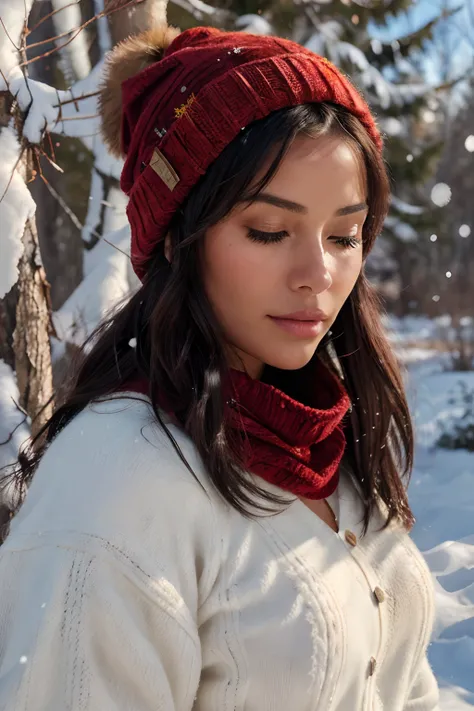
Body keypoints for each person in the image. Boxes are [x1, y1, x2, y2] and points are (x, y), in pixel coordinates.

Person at [0, 23, 439, 711]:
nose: (317, 274)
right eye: (268, 230)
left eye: (345, 234)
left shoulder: (318, 436)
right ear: (177, 233)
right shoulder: (116, 489)